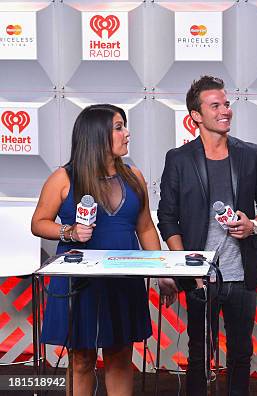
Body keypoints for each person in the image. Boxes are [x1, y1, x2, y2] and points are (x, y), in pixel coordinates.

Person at [156, 75, 257, 396]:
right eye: (215, 105)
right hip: (199, 278)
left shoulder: (250, 154)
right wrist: (189, 268)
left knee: (240, 355)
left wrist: (254, 224)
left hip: (241, 274)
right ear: (195, 115)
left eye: (226, 103)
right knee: (199, 356)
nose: (225, 110)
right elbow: (167, 218)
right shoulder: (179, 159)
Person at [31, 104, 162, 396]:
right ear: (96, 135)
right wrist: (69, 231)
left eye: (124, 126)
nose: (127, 133)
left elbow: (145, 228)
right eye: (119, 127)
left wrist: (162, 271)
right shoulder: (63, 178)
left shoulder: (134, 176)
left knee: (120, 356)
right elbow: (38, 223)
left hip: (123, 279)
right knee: (82, 359)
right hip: (79, 281)